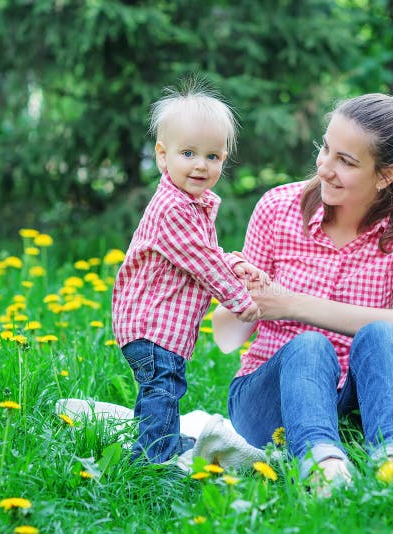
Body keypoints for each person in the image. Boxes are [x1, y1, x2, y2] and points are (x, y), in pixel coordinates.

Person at [216, 93, 393, 489]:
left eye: (346, 161)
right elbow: (226, 338)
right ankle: (322, 465)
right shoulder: (277, 208)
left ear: (386, 175)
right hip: (267, 400)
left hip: (353, 396)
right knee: (310, 346)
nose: (325, 168)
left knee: (383, 333)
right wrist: (240, 297)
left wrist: (293, 304)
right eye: (325, 149)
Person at [111, 82, 265, 464]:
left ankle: (154, 439)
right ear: (163, 157)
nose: (201, 165)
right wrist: (239, 299)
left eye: (212, 156)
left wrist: (234, 263)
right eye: (188, 153)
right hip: (152, 326)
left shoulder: (191, 205)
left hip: (161, 327)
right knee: (163, 387)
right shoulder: (174, 209)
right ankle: (152, 458)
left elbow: (204, 255)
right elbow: (200, 260)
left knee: (160, 387)